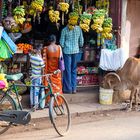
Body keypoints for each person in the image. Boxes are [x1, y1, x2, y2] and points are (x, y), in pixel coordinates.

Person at [60, 25, 84, 94]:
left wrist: (65, 46)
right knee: (73, 70)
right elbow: (81, 42)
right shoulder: (79, 29)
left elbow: (61, 43)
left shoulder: (64, 30)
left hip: (67, 52)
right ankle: (74, 89)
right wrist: (77, 46)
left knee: (67, 70)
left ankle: (68, 89)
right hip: (76, 51)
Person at [42, 34, 63, 104]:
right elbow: (61, 60)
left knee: (50, 88)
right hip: (57, 72)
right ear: (55, 40)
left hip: (49, 72)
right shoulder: (59, 48)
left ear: (49, 40)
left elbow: (44, 62)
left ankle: (49, 102)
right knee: (57, 87)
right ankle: (58, 102)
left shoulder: (46, 48)